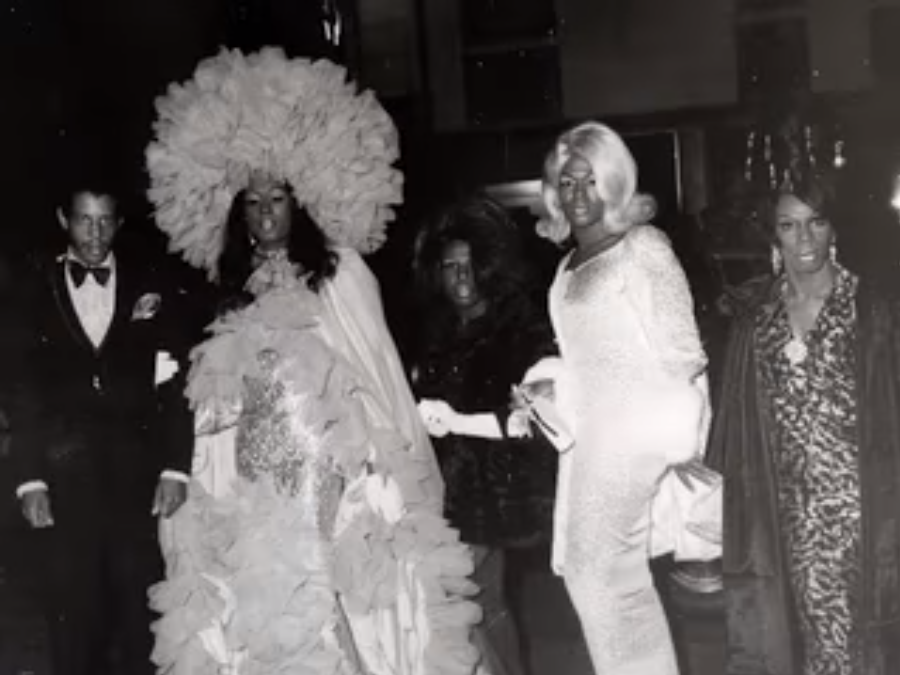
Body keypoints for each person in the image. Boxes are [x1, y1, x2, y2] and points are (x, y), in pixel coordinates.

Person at [145, 48, 483, 675]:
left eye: (277, 198)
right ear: (237, 211)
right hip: (252, 474)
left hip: (327, 472)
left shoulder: (341, 272)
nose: (265, 212)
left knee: (335, 607)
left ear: (298, 201)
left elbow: (375, 373)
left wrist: (384, 471)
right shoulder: (228, 286)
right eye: (252, 201)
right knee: (264, 611)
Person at [520, 121, 719, 674]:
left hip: (630, 447)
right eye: (566, 182)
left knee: (604, 578)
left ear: (613, 183)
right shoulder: (565, 267)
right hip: (587, 445)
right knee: (594, 580)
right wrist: (549, 385)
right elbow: (586, 354)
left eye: (589, 180)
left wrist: (659, 443)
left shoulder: (642, 248)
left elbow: (685, 356)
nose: (577, 194)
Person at [705, 169, 900, 675]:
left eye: (816, 223)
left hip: (859, 507)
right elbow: (739, 418)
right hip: (783, 506)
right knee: (795, 639)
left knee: (856, 641)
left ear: (834, 230)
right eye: (789, 226)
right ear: (774, 235)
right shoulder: (758, 315)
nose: (804, 238)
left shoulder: (872, 310)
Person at [7, 160, 195, 675]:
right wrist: (29, 480)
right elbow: (22, 389)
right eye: (84, 220)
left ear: (119, 223)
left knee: (140, 616)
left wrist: (175, 468)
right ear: (63, 220)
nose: (95, 234)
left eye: (106, 221)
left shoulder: (150, 283)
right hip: (64, 479)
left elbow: (176, 382)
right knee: (72, 618)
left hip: (137, 480)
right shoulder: (32, 284)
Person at [411, 195, 558, 675]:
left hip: (490, 495)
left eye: (470, 266)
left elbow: (526, 421)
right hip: (440, 493)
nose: (461, 278)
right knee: (471, 606)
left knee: (474, 601)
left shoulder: (518, 330)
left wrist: (454, 421)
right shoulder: (435, 334)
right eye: (451, 267)